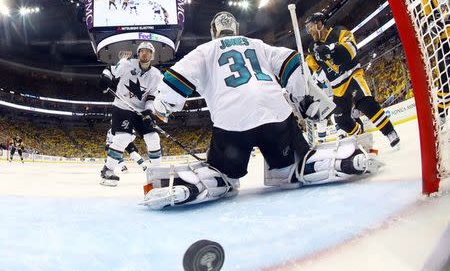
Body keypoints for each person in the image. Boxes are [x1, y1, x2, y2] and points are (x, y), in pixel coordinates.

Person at [142, 11, 382, 209]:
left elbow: (174, 80)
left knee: (224, 175)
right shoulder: (255, 44)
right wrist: (301, 99)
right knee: (293, 168)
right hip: (276, 115)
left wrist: (162, 107)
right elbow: (293, 61)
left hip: (233, 123)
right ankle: (344, 160)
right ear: (235, 30)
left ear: (213, 32)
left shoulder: (206, 50)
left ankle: (192, 185)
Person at [304, 12, 400, 147]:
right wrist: (304, 72)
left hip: (351, 75)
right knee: (341, 120)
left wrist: (330, 50)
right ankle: (361, 135)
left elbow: (351, 49)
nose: (310, 31)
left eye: (311, 27)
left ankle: (390, 132)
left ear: (320, 24)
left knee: (365, 103)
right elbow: (311, 66)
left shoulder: (339, 31)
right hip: (337, 87)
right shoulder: (312, 47)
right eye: (307, 28)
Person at [98, 41, 163, 186]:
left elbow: (152, 97)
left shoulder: (157, 76)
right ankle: (107, 170)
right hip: (122, 106)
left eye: (148, 51)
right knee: (124, 137)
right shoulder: (127, 64)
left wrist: (149, 112)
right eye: (142, 51)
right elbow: (110, 69)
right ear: (138, 53)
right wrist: (106, 79)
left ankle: (157, 173)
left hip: (140, 111)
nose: (144, 53)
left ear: (152, 56)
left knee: (153, 137)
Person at [420, 0, 449, 125]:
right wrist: (431, 24)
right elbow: (425, 16)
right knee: (444, 76)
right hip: (445, 39)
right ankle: (442, 113)